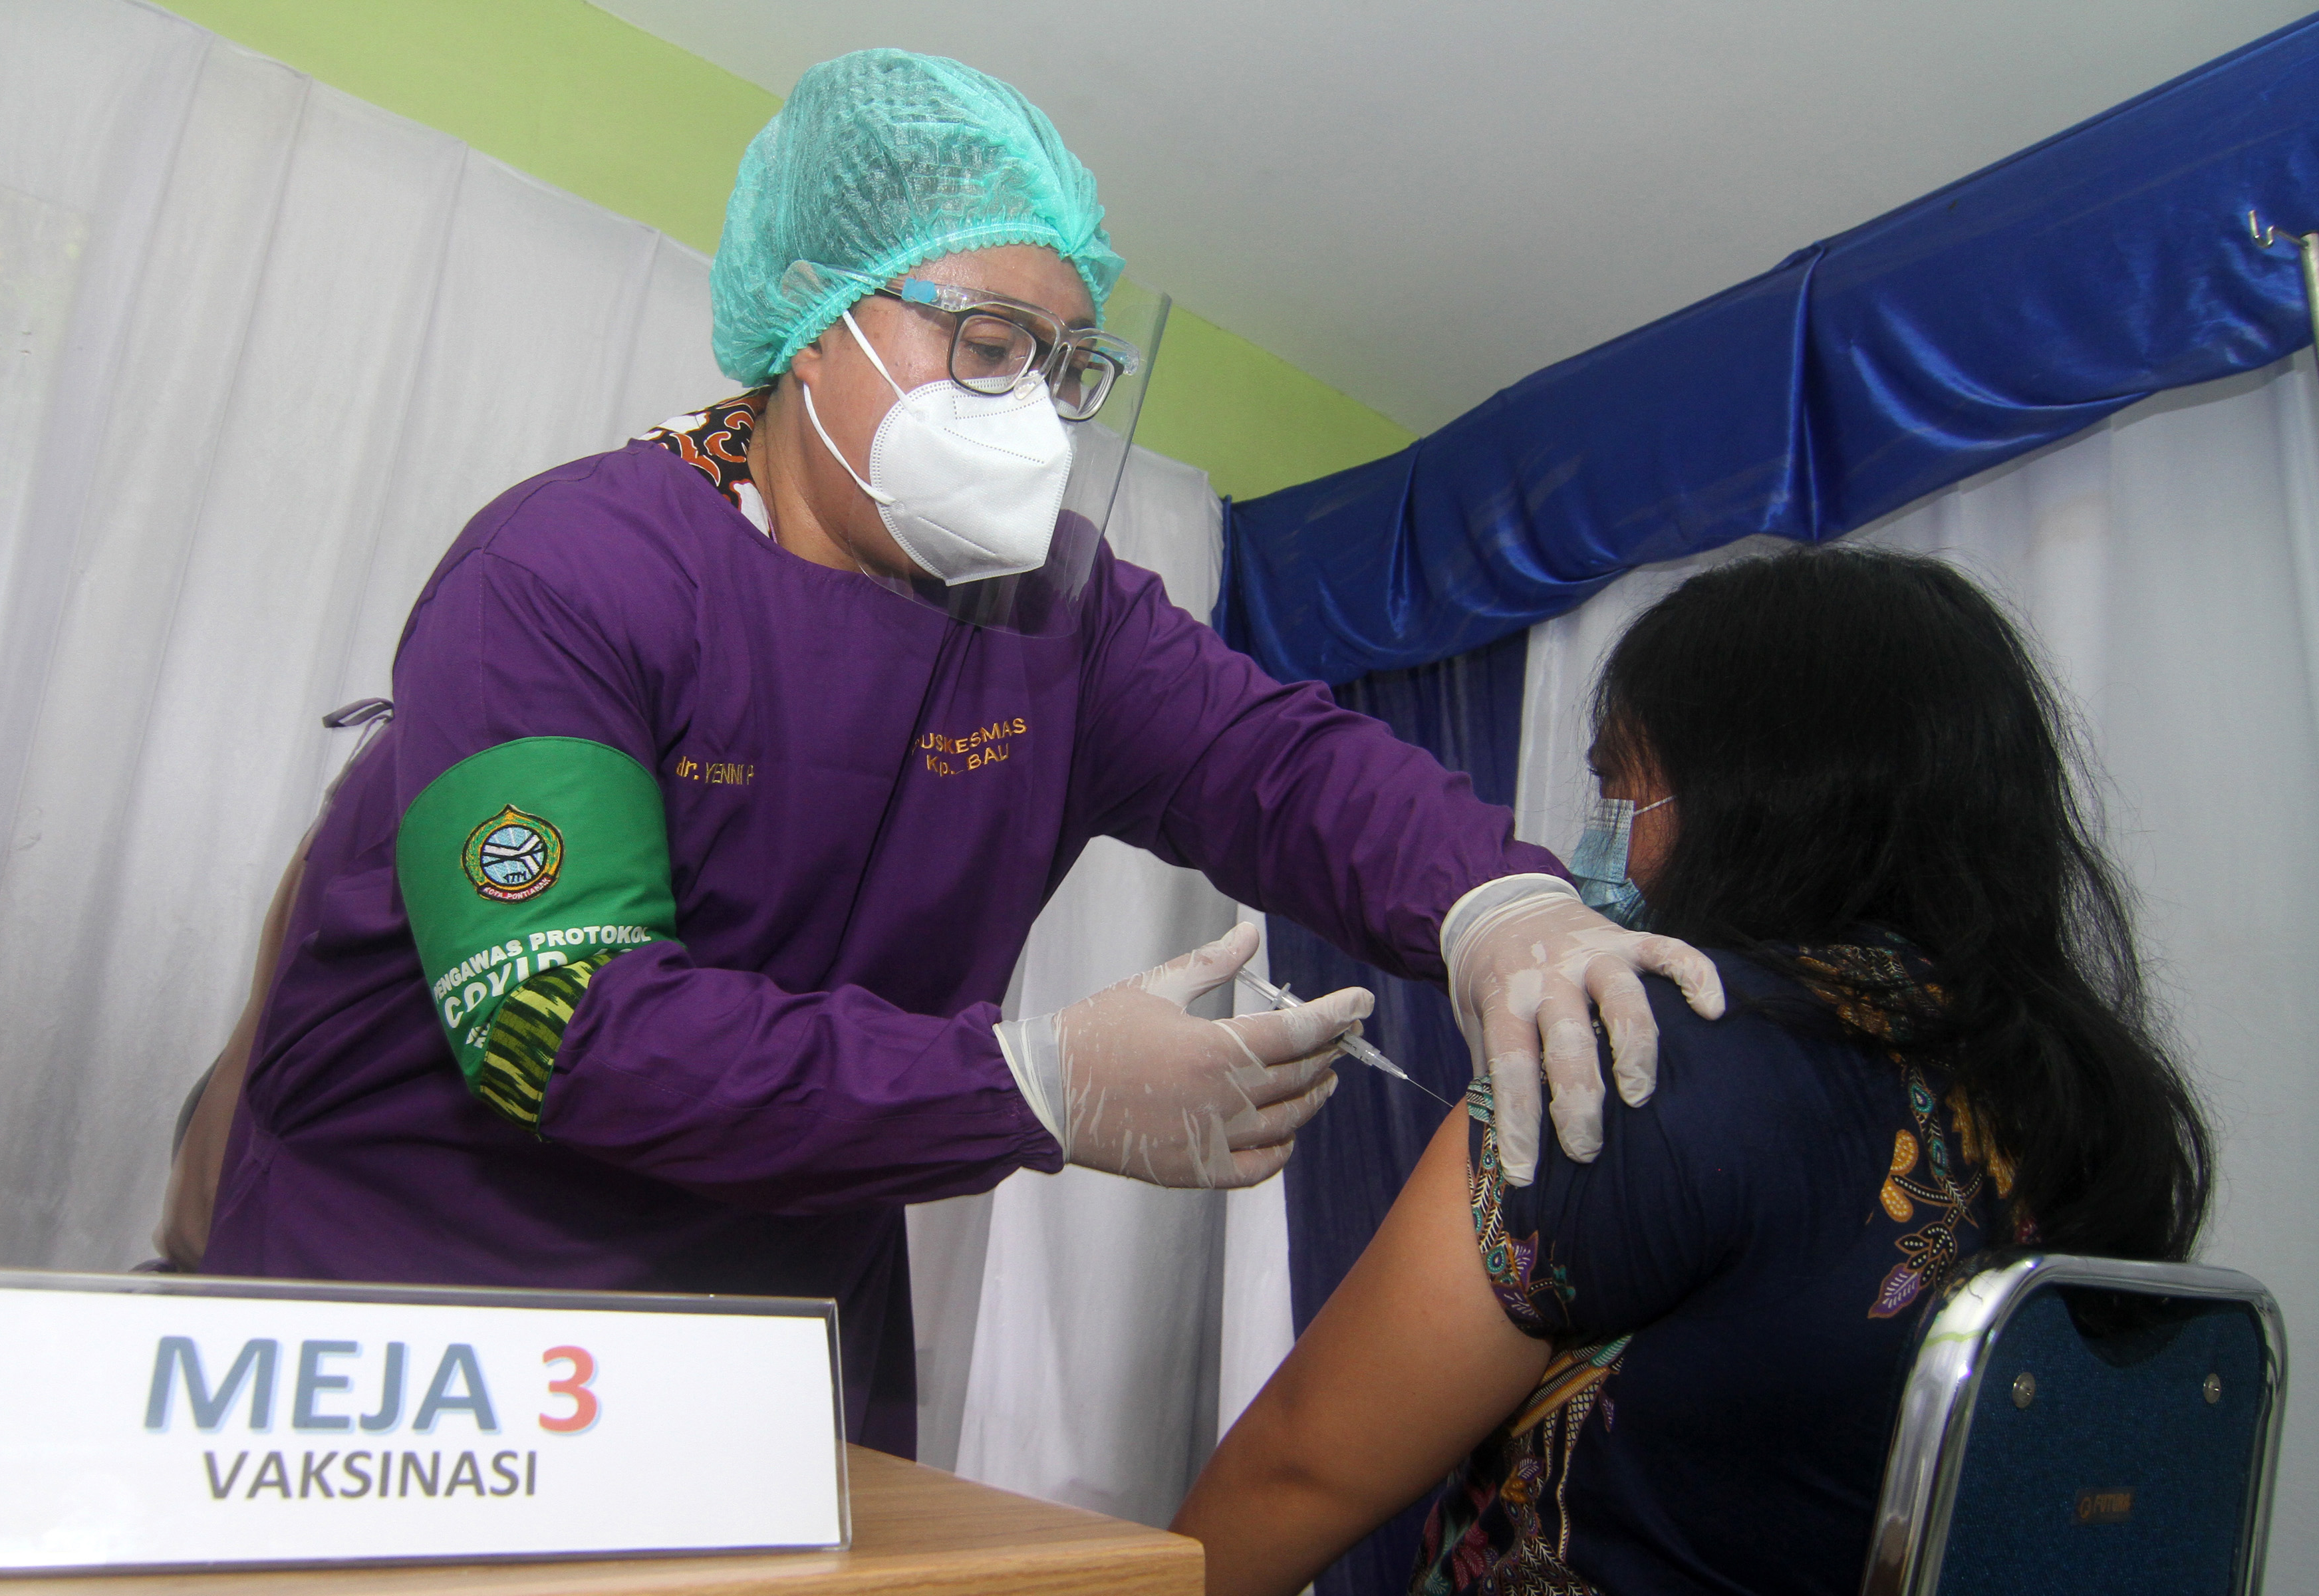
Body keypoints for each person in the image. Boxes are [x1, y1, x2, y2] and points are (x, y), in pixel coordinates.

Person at [188, 49, 1720, 1457]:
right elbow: (551, 1022)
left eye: (1067, 371)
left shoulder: (1056, 612)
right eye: (988, 343)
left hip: (778, 1332)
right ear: (814, 313)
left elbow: (1277, 764)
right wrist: (1028, 1083)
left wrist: (1501, 905)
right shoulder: (573, 569)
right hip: (430, 1324)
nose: (1034, 415)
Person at [998, 547, 2212, 1596]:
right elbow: (1717, 1498)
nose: (1593, 848)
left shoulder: (1629, 1057)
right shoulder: (2077, 1105)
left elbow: (1309, 1462)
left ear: (1754, 791)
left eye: (1617, 792)